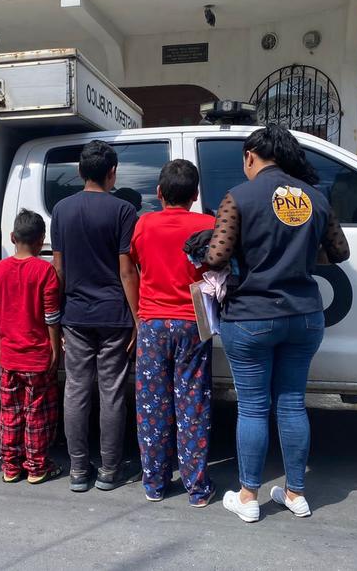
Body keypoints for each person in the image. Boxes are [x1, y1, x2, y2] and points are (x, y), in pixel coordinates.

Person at [204, 125, 350, 522]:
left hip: (251, 316)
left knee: (253, 407)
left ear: (250, 156)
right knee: (292, 403)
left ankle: (248, 497)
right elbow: (340, 251)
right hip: (304, 316)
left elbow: (216, 257)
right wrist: (299, 252)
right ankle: (296, 493)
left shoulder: (239, 196)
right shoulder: (315, 197)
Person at [51, 140, 142, 493]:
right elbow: (126, 271)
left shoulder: (61, 210)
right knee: (112, 392)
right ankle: (109, 469)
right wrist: (137, 318)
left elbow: (58, 268)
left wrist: (56, 317)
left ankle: (77, 469)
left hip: (75, 315)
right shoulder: (124, 211)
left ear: (79, 171)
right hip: (114, 315)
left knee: (75, 389)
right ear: (112, 173)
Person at [129, 159, 216, 507]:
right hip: (194, 321)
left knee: (153, 405)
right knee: (193, 403)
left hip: (152, 322)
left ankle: (155, 483)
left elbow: (133, 264)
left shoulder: (144, 225)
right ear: (195, 195)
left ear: (158, 193)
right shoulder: (208, 224)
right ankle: (197, 488)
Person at [0, 209, 63, 485]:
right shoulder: (45, 271)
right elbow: (51, 317)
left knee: (9, 413)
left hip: (9, 356)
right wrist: (55, 349)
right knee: (37, 414)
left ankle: (10, 466)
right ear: (41, 240)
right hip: (37, 357)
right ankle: (36, 467)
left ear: (12, 237)